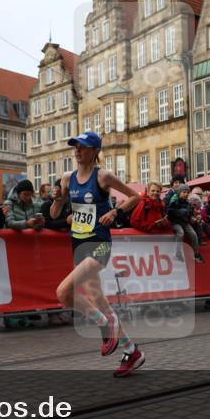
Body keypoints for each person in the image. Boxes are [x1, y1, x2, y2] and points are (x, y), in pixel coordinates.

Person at [51, 131, 144, 377]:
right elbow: (54, 214)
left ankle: (104, 323)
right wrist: (60, 203)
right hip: (78, 244)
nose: (77, 150)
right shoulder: (66, 178)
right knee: (98, 299)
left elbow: (135, 196)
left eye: (81, 146)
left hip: (100, 244)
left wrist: (115, 213)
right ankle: (131, 350)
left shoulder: (103, 176)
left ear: (94, 151)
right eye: (75, 146)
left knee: (63, 292)